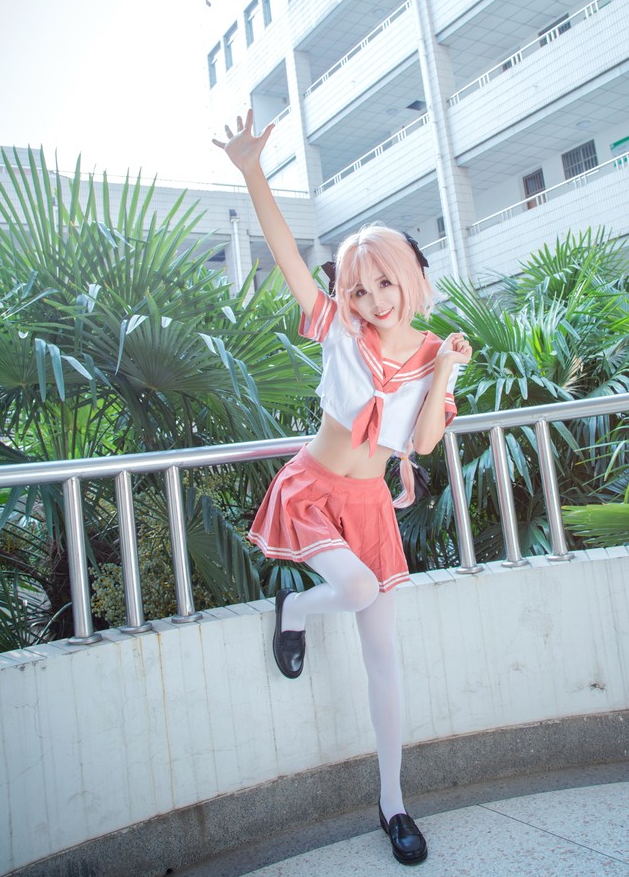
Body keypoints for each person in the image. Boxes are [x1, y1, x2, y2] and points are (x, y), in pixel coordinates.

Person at [213, 110, 472, 866]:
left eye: (386, 282)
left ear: (410, 278)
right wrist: (253, 171)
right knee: (355, 590)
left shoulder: (433, 352)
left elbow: (423, 443)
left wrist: (446, 371)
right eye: (361, 289)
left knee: (384, 655)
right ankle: (294, 606)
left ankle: (393, 802)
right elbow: (287, 255)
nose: (376, 300)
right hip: (317, 489)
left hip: (370, 506)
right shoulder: (337, 328)